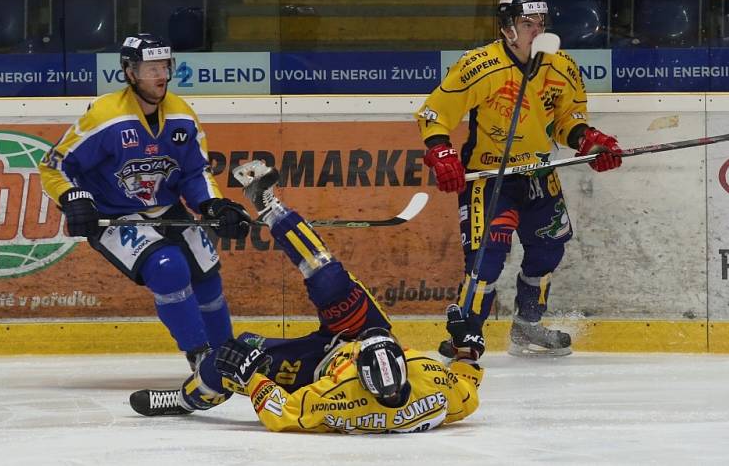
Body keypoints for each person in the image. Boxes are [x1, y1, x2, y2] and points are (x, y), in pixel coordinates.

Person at [129, 161, 485, 434]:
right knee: (330, 281)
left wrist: (251, 377)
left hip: (317, 366)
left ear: (361, 376)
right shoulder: (437, 389)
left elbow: (283, 414)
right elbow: (467, 384)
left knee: (226, 359)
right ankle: (268, 206)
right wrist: (467, 349)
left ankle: (184, 399)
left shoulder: (338, 400)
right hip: (361, 337)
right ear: (404, 368)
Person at [415, 0, 623, 356]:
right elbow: (434, 114)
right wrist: (442, 152)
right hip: (490, 178)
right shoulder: (478, 65)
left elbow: (567, 121)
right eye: (528, 23)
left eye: (540, 23)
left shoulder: (562, 67)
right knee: (486, 257)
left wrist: (590, 141)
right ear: (507, 27)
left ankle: (528, 325)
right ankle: (466, 334)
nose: (536, 30)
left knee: (548, 250)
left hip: (540, 175)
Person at [38, 34, 252, 369]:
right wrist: (74, 197)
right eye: (151, 68)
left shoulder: (182, 116)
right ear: (130, 72)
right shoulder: (107, 116)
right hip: (116, 215)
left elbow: (195, 173)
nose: (161, 75)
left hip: (168, 210)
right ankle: (202, 360)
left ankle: (226, 355)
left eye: (164, 66)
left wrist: (214, 205)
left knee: (208, 275)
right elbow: (56, 165)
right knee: (169, 269)